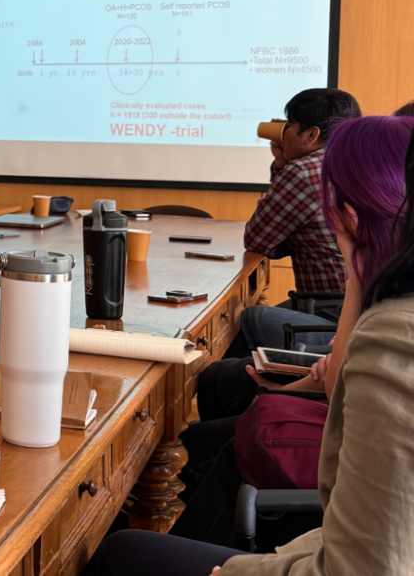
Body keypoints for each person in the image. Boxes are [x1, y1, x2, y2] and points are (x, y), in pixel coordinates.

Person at [81, 117, 414, 576]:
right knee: (224, 414)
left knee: (124, 551)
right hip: (332, 536)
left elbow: (367, 564)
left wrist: (234, 572)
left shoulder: (394, 335)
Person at [171, 115, 413, 548]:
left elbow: (368, 546)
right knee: (226, 423)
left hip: (333, 529)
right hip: (335, 509)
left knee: (227, 409)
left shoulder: (391, 325)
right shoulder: (390, 282)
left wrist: (356, 275)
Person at [231, 88, 361, 356]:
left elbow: (257, 239)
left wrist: (283, 166)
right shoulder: (356, 162)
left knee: (242, 322)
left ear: (311, 135)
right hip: (360, 305)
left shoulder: (304, 171)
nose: (282, 132)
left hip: (332, 310)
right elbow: (275, 244)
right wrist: (282, 163)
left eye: (288, 125)